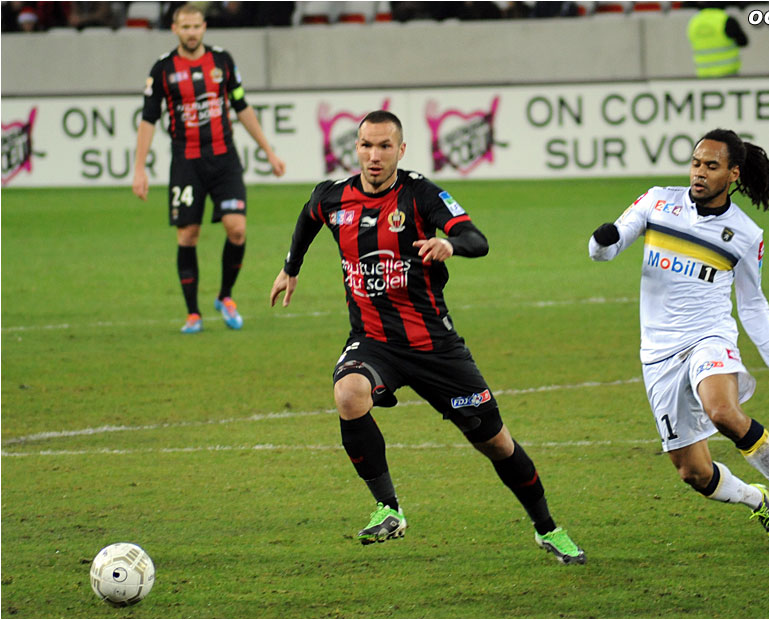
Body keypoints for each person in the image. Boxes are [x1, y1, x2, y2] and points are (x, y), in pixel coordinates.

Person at [270, 110, 585, 564]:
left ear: (401, 150)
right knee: (348, 393)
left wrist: (451, 244)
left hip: (435, 347)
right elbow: (307, 216)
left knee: (496, 443)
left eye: (384, 147)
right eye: (365, 146)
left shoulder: (421, 195)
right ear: (355, 148)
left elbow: (477, 239)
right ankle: (389, 507)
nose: (374, 156)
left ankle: (548, 528)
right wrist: (290, 267)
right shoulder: (333, 197)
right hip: (374, 342)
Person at [588, 128, 769, 540]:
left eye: (711, 166)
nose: (699, 173)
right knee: (693, 473)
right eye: (696, 163)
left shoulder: (746, 235)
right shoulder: (658, 200)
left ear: (733, 174)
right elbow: (605, 250)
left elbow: (753, 304)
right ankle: (756, 499)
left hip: (708, 338)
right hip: (658, 354)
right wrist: (601, 239)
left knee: (722, 412)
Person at [132, 2, 285, 334]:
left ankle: (225, 296)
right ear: (174, 29)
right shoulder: (162, 69)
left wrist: (269, 152)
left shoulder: (222, 61)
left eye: (196, 26)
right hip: (186, 162)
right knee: (188, 234)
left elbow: (241, 106)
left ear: (204, 27)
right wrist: (139, 169)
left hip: (224, 159)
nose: (191, 32)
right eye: (184, 27)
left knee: (237, 229)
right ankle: (193, 313)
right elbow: (148, 119)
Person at [687, 4, 748, 78]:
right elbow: (743, 42)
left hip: (703, 75)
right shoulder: (726, 20)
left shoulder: (694, 21)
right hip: (728, 74)